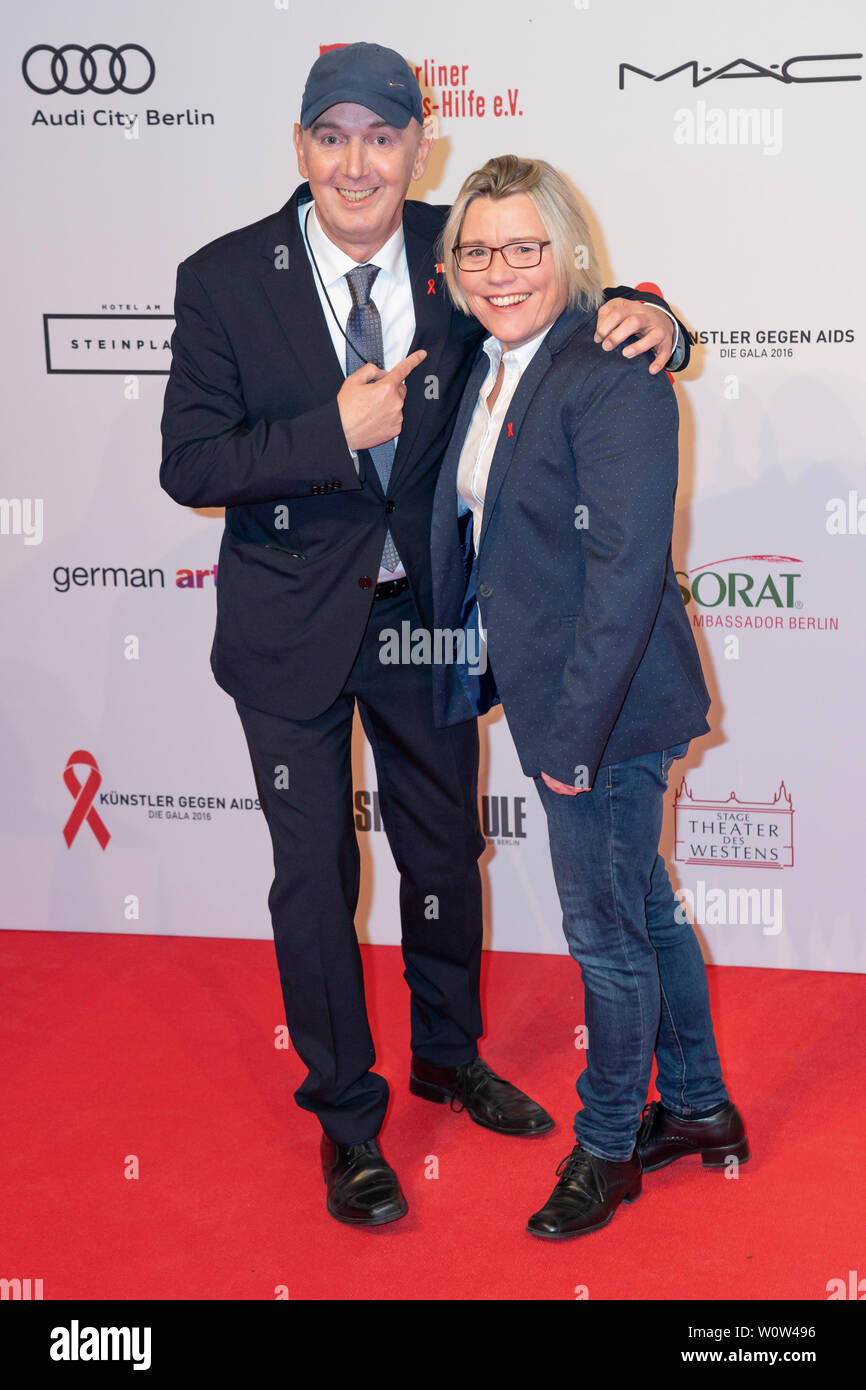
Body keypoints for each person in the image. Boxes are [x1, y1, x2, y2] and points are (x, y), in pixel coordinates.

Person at [160, 42, 690, 1229]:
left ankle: (447, 1055)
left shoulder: (461, 250)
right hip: (288, 630)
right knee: (316, 876)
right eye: (332, 136)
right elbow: (188, 462)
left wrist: (660, 315)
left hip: (428, 620)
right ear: (300, 147)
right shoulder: (225, 277)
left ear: (418, 147)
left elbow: (567, 302)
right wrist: (328, 433)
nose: (357, 163)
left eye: (382, 136)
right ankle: (347, 1119)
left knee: (443, 851)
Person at [430, 154, 748, 1239]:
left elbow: (622, 575)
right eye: (477, 251)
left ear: (568, 253)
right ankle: (697, 1106)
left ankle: (607, 1146)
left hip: (602, 710)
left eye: (524, 247)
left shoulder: (610, 367)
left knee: (605, 939)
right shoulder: (491, 359)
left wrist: (570, 738)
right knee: (643, 909)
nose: (500, 270)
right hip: (556, 694)